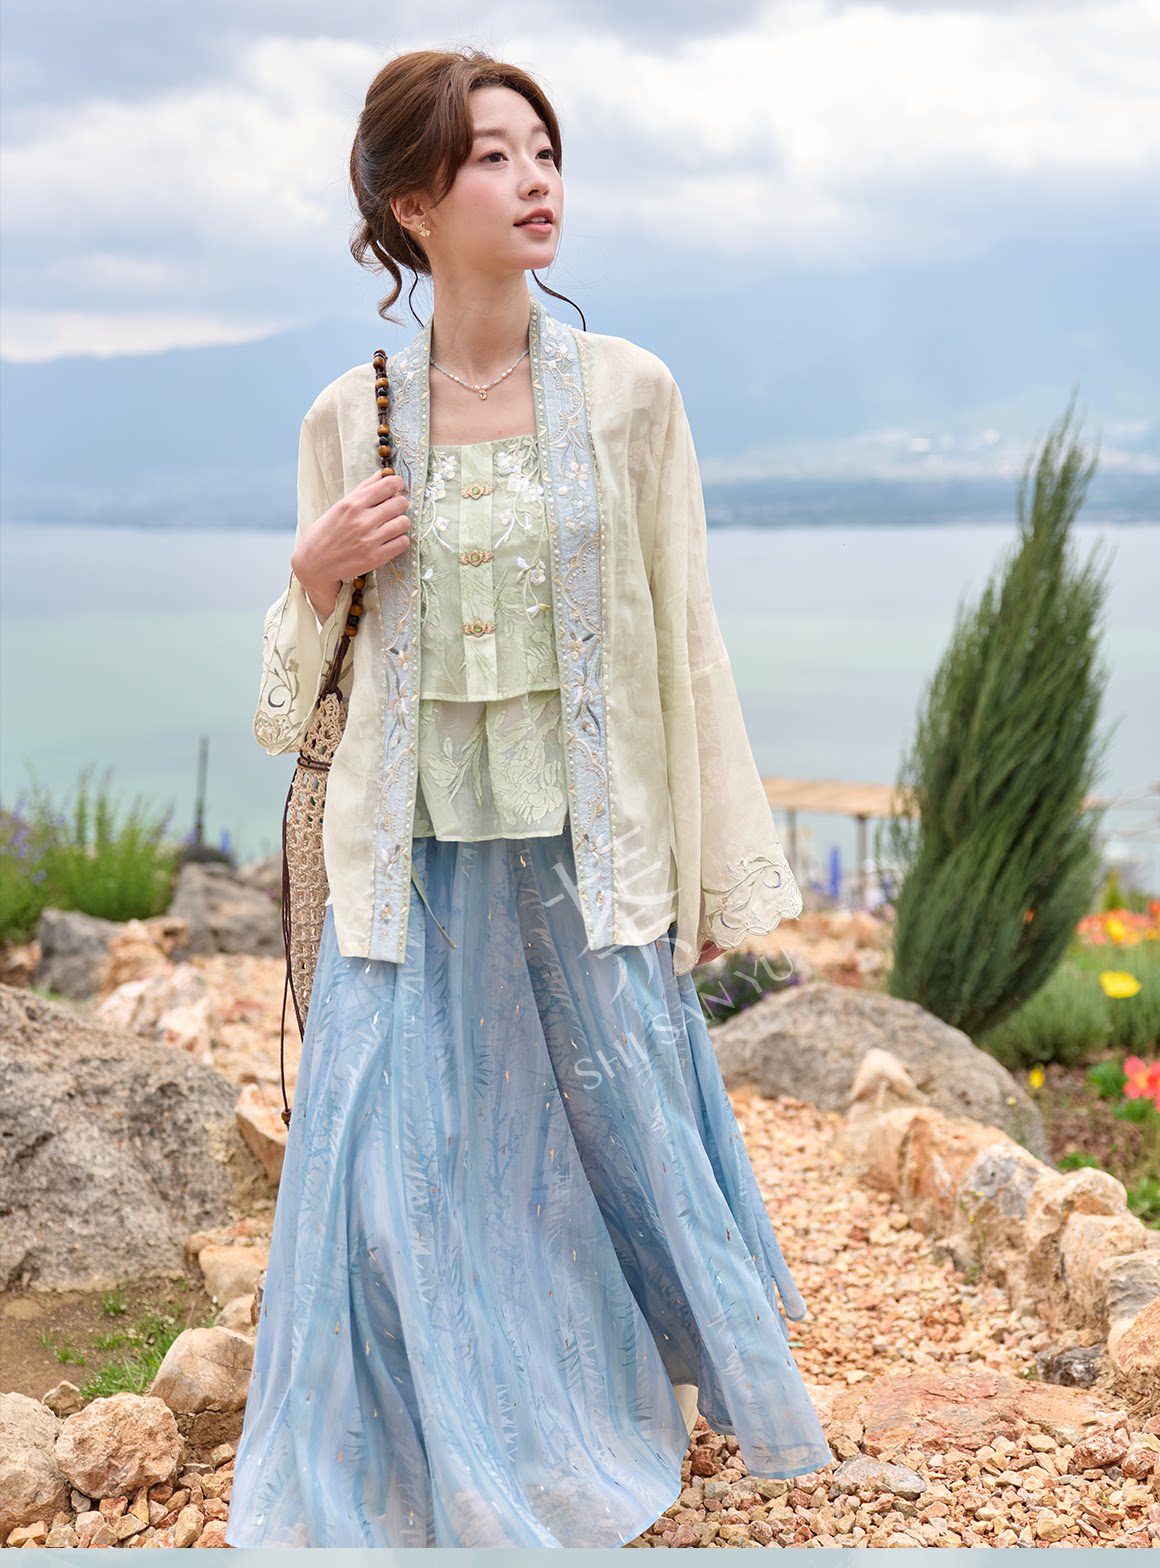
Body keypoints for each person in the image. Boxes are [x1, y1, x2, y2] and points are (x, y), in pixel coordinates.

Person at [226, 44, 832, 1550]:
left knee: (604, 1143)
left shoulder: (631, 396)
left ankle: (584, 1410)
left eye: (545, 152)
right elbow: (293, 704)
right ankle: (418, 1439)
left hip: (585, 852)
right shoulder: (348, 414)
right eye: (494, 157)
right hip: (408, 864)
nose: (535, 180)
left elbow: (687, 644)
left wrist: (706, 872)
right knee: (392, 1162)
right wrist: (312, 571)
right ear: (413, 205)